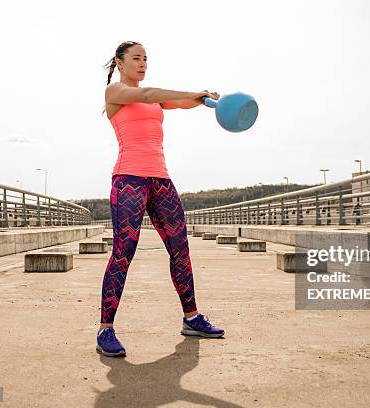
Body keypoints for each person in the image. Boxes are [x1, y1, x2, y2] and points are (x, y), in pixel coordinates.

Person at [97, 41, 224, 357]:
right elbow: (148, 94)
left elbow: (179, 104)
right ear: (120, 62)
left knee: (180, 248)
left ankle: (192, 318)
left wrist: (202, 98)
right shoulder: (115, 93)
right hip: (129, 179)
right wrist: (189, 91)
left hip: (161, 180)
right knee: (123, 252)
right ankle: (105, 330)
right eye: (136, 58)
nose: (142, 63)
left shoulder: (155, 100)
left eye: (145, 59)